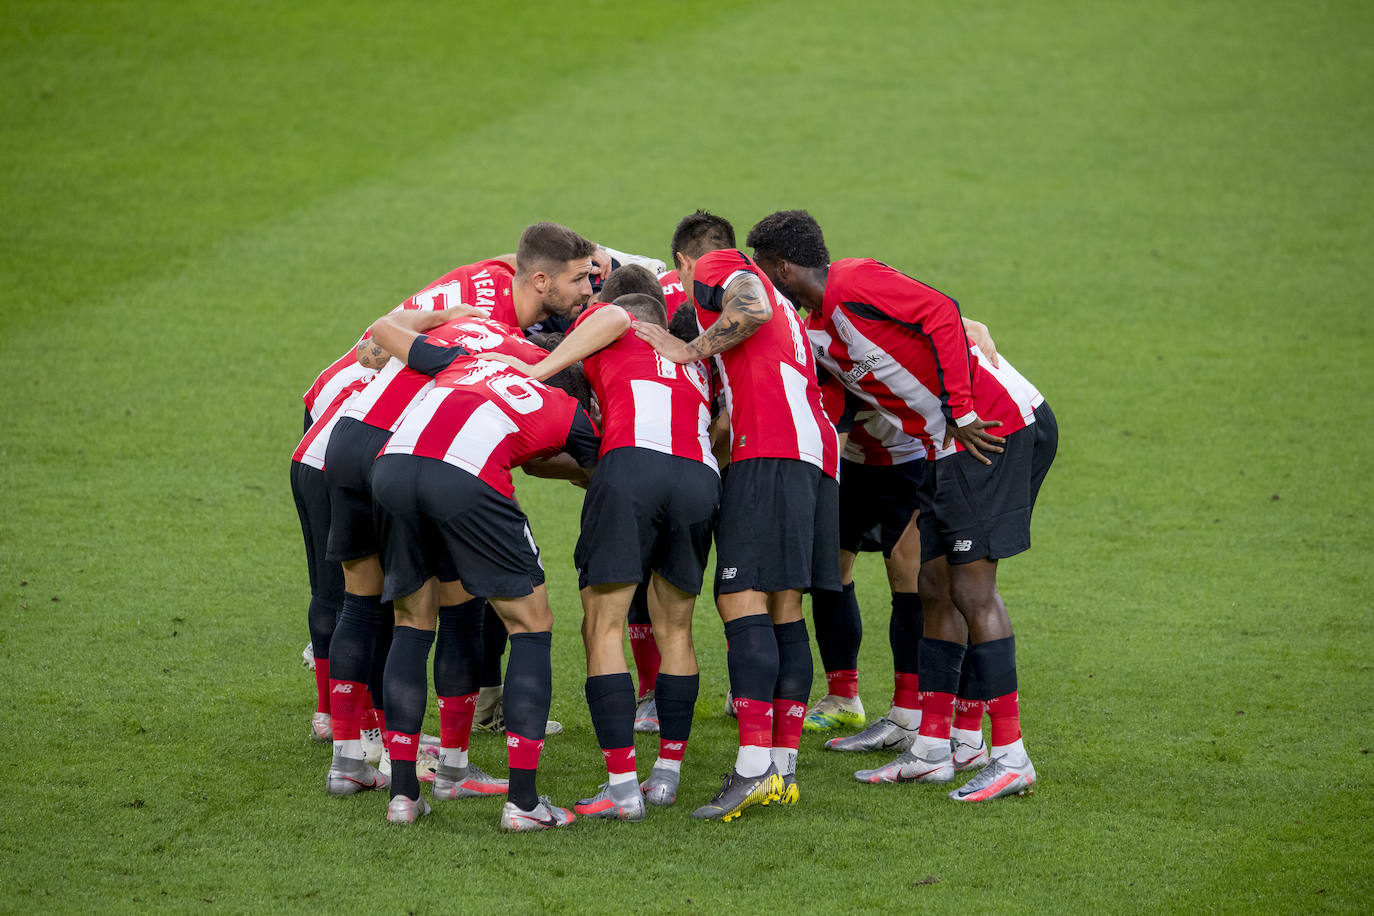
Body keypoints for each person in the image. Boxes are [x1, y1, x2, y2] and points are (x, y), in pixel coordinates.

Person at [746, 209, 1056, 803]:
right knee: (933, 585)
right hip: (947, 446)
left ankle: (1011, 755)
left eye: (763, 270)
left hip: (989, 429)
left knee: (971, 591)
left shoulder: (852, 281)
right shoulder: (816, 330)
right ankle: (936, 749)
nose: (760, 283)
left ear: (782, 267)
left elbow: (942, 311)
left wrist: (961, 410)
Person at [322, 223, 598, 798]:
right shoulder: (556, 395)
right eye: (578, 279)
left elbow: (381, 332)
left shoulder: (466, 342)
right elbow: (602, 465)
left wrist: (441, 318)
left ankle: (376, 778)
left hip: (357, 448)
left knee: (390, 614)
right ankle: (476, 778)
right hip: (437, 465)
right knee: (497, 617)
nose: (587, 289)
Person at [487, 273, 721, 820]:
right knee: (677, 628)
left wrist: (535, 369)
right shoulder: (692, 358)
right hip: (697, 472)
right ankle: (666, 773)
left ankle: (622, 789)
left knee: (603, 625)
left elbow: (610, 319)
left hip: (632, 464)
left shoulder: (610, 323)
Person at [635, 211, 841, 820]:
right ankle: (781, 768)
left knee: (739, 599)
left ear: (684, 263)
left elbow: (744, 309)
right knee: (784, 607)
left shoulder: (721, 266)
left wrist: (687, 346)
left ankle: (752, 770)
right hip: (812, 454)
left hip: (774, 451)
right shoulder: (780, 298)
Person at [362, 310, 601, 828]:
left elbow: (383, 331)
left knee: (411, 622)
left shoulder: (463, 361)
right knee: (531, 626)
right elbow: (603, 470)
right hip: (465, 481)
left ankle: (404, 796)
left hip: (393, 467)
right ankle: (524, 803)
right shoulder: (564, 406)